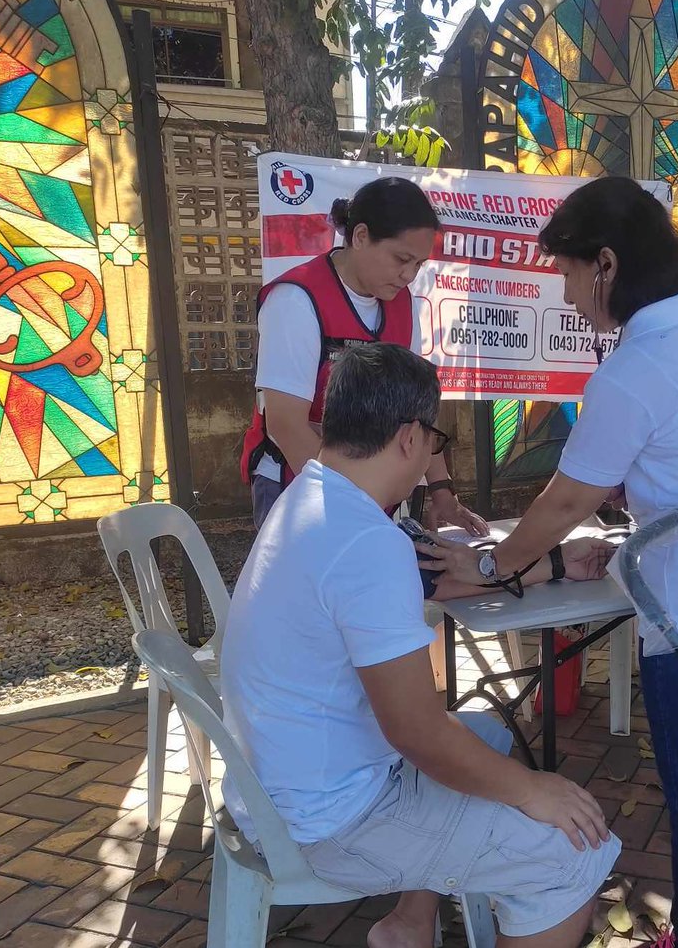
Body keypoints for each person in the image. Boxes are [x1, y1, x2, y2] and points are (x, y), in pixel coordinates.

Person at [419, 176, 678, 947]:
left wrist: (494, 568)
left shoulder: (633, 370)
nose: (564, 295)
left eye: (565, 272)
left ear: (604, 264)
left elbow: (564, 503)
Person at [221, 343, 621, 948]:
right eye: (436, 441)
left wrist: (550, 564)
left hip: (278, 783)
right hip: (327, 820)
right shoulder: (364, 539)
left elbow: (438, 591)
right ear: (410, 437)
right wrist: (532, 790)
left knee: (484, 731)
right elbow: (415, 732)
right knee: (572, 856)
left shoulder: (307, 498)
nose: (431, 455)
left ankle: (409, 924)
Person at [240, 176, 487, 536]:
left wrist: (441, 490)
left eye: (418, 264)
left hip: (369, 491)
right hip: (298, 482)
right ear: (359, 236)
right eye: (401, 259)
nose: (408, 275)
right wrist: (357, 503)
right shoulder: (296, 300)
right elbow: (286, 426)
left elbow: (415, 411)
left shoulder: (402, 304)